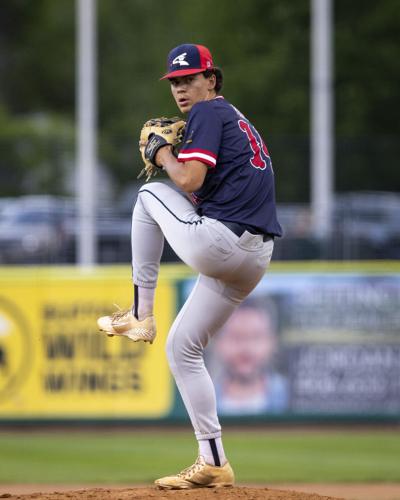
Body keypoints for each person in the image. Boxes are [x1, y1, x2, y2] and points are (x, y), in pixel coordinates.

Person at [97, 43, 282, 489]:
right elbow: (210, 186)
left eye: (190, 79)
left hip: (222, 243)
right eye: (176, 82)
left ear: (211, 80)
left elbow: (189, 179)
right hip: (253, 258)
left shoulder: (208, 113)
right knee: (182, 348)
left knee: (146, 196)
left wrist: (162, 154)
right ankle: (214, 461)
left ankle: (141, 313)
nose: (182, 89)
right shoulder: (233, 119)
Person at [211, 303, 288, 415]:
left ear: (272, 342)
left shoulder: (291, 395)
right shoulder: (198, 399)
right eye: (235, 337)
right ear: (218, 343)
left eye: (256, 337)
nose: (246, 348)